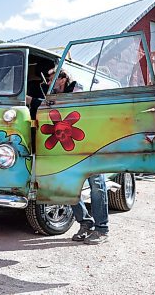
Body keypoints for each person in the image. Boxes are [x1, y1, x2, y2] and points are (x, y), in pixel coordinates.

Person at [51, 68, 109, 245]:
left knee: (97, 185)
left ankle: (102, 229)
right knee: (68, 187)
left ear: (62, 79)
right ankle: (85, 222)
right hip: (69, 149)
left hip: (90, 146)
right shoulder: (53, 96)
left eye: (51, 77)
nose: (47, 81)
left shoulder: (79, 91)